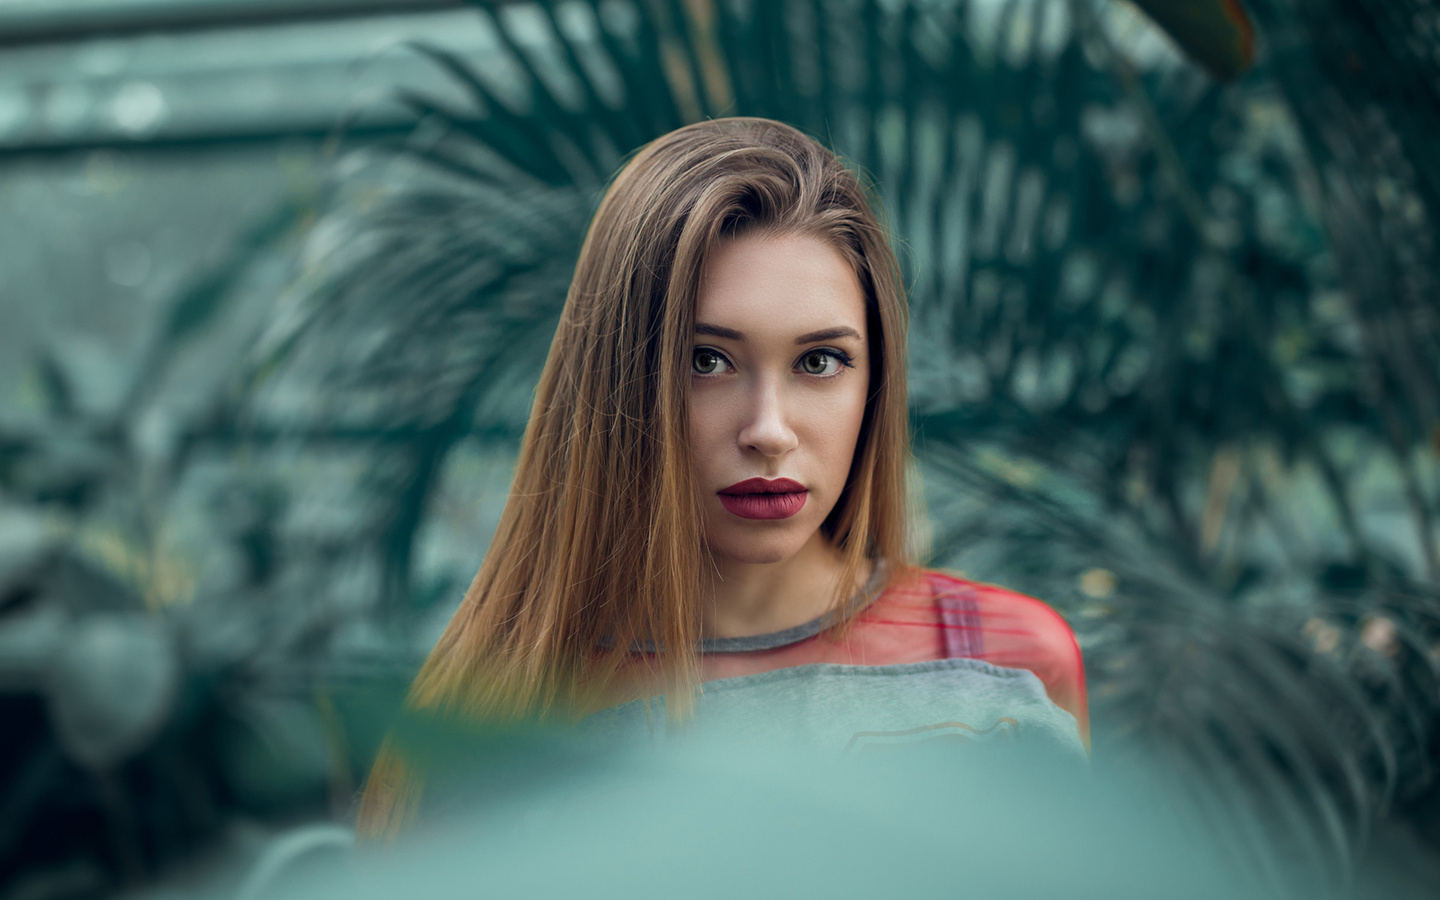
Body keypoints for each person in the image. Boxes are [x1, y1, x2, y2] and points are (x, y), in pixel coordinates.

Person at [358, 117, 1086, 839]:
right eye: (705, 361)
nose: (768, 429)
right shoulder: (500, 715)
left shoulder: (1009, 666)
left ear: (877, 381)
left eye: (819, 361)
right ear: (619, 383)